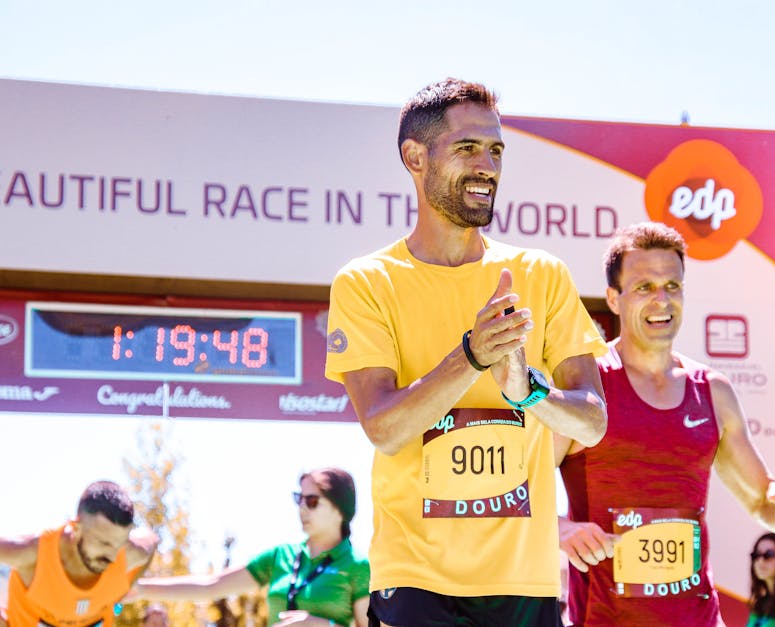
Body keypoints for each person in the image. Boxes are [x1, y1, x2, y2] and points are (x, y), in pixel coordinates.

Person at [324, 78, 608, 627]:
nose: (487, 166)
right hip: (414, 581)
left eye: (496, 150)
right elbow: (385, 428)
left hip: (525, 583)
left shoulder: (542, 274)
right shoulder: (365, 282)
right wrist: (472, 357)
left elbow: (592, 421)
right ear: (415, 156)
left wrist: (529, 392)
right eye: (467, 148)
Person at [556, 221, 775, 626]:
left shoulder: (713, 391)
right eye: (644, 287)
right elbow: (521, 493)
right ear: (613, 298)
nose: (661, 300)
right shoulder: (587, 383)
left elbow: (765, 506)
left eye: (672, 286)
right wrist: (561, 529)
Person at [136, 468, 369, 626]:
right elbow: (211, 585)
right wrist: (140, 588)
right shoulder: (281, 556)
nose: (302, 508)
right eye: (299, 498)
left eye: (312, 501)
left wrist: (323, 625)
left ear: (341, 508)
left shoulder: (359, 566)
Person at [0, 480, 158, 627]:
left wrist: (125, 588)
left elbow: (151, 539)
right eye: (103, 542)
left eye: (119, 543)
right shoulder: (33, 555)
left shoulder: (129, 556)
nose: (112, 556)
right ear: (76, 529)